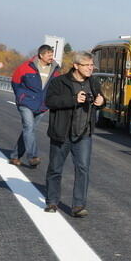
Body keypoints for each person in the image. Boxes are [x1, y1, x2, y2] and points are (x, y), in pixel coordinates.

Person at [43, 51, 103, 217]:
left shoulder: (94, 82)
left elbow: (100, 98)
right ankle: (52, 201)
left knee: (83, 168)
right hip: (62, 133)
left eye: (92, 65)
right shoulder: (59, 82)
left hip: (84, 133)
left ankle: (78, 206)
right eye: (87, 65)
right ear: (76, 66)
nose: (90, 69)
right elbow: (50, 101)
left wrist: (101, 102)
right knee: (55, 169)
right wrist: (74, 99)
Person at [9, 45, 60, 167]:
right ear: (41, 55)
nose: (51, 57)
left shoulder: (55, 71)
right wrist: (21, 97)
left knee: (29, 130)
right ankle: (33, 156)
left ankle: (15, 156)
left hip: (42, 106)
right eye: (49, 55)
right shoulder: (25, 67)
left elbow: (56, 88)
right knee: (29, 127)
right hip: (26, 103)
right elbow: (15, 82)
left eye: (52, 55)